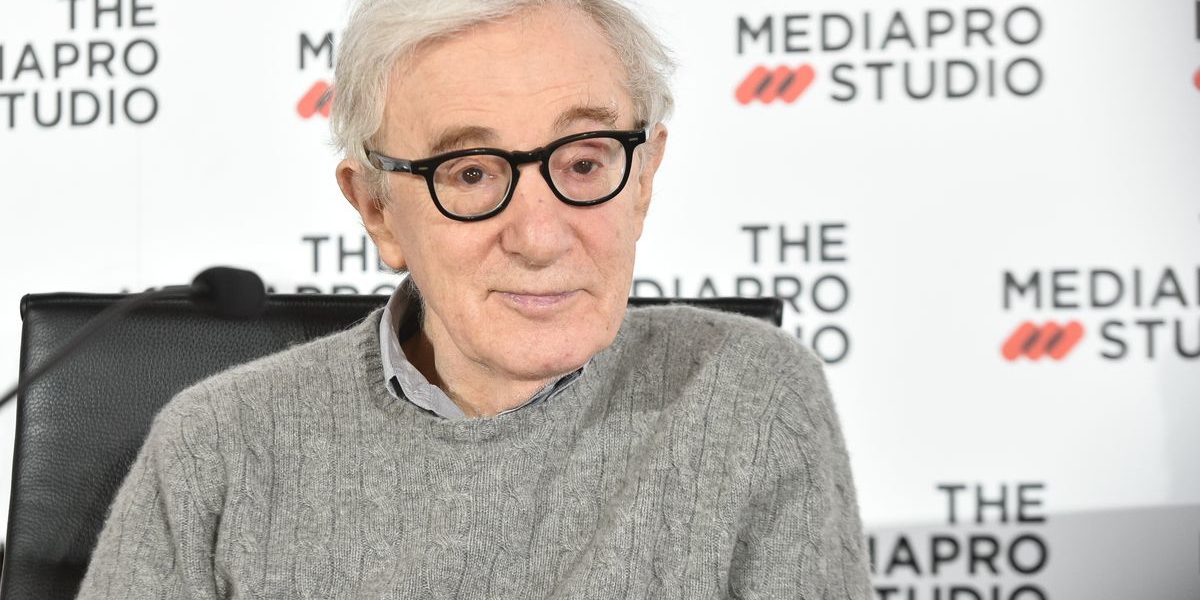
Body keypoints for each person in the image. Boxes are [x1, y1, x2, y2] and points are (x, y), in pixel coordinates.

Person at [76, 0, 870, 597]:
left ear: (644, 179)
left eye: (585, 162)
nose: (540, 236)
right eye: (471, 173)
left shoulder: (751, 399)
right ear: (377, 210)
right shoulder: (216, 450)